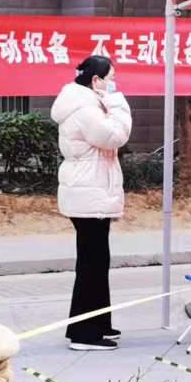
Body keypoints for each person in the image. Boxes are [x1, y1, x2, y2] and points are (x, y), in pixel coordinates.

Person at [54, 55, 132, 352]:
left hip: (89, 190)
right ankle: (84, 334)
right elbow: (114, 136)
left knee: (97, 260)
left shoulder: (82, 102)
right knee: (91, 264)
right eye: (110, 78)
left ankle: (98, 322)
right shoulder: (85, 107)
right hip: (89, 192)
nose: (114, 83)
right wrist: (118, 103)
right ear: (96, 80)